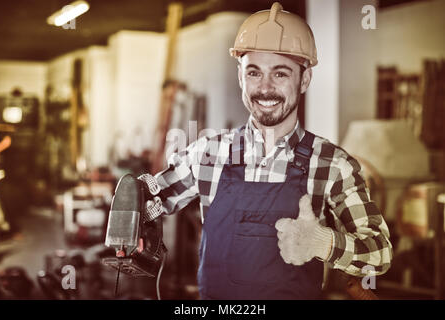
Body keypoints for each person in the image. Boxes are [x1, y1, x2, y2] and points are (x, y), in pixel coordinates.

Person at [145, 2, 392, 299]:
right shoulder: (207, 154)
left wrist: (323, 243)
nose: (264, 88)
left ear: (304, 79)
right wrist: (133, 204)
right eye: (253, 72)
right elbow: (151, 201)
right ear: (240, 77)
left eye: (280, 74)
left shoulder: (331, 164)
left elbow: (380, 253)